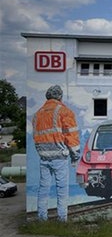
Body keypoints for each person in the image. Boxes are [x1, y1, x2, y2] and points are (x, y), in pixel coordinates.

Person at [33, 85, 80, 222]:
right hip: (59, 157)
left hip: (43, 157)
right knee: (61, 190)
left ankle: (41, 219)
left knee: (43, 189)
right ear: (60, 96)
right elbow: (71, 136)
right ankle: (62, 220)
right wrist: (75, 155)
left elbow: (37, 136)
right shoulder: (64, 111)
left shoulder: (37, 114)